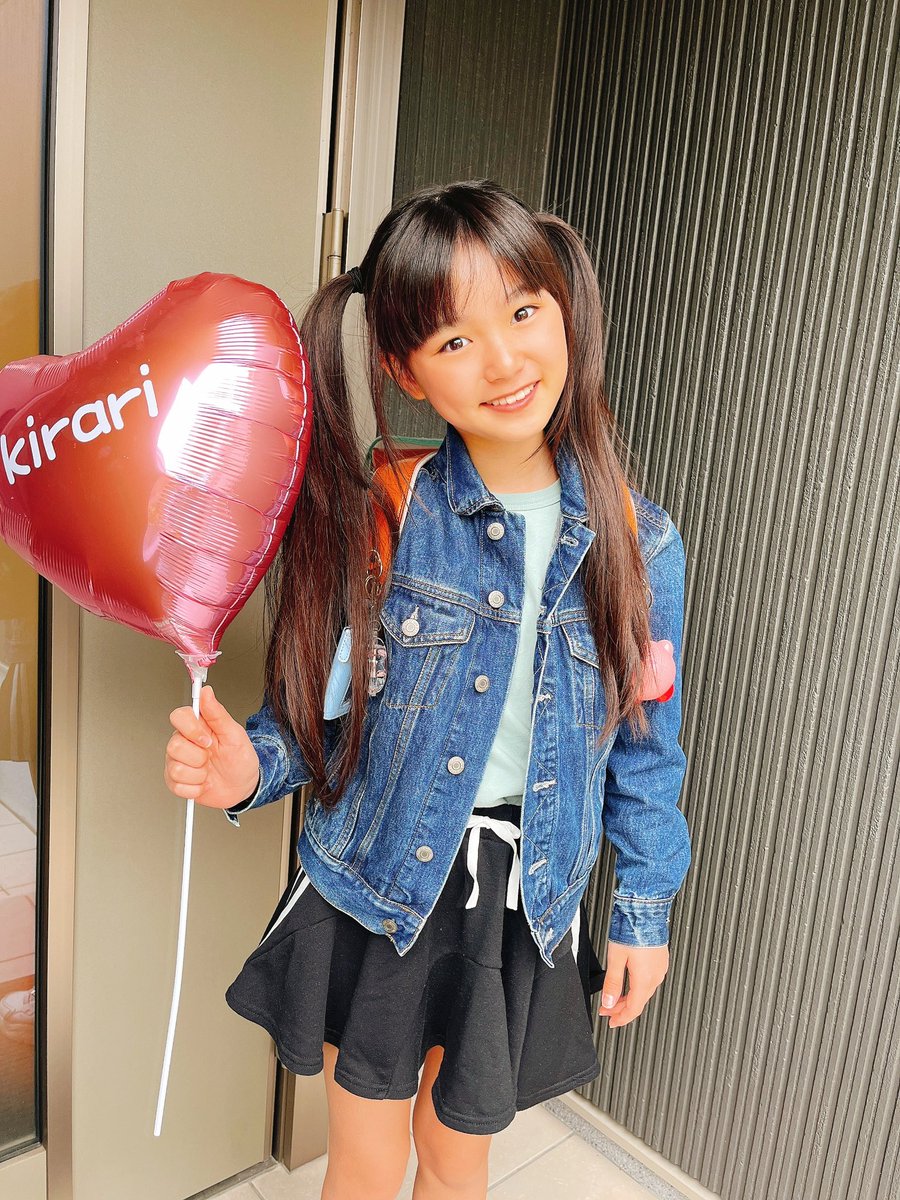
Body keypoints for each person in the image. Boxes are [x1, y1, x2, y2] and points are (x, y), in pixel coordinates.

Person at [164, 179, 691, 1200]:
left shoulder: (642, 543)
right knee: (365, 1160)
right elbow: (321, 717)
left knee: (457, 1161)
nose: (503, 360)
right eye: (455, 339)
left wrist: (644, 910)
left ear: (565, 312)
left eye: (523, 312)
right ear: (405, 369)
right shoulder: (385, 513)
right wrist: (247, 770)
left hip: (521, 898)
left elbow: (644, 754)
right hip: (381, 885)